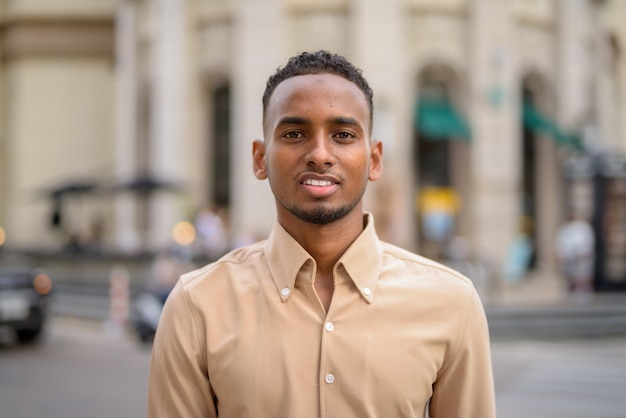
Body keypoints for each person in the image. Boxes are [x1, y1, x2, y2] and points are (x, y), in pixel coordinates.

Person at [147, 50, 496, 417]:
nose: (319, 154)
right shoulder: (196, 306)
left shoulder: (451, 303)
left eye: (343, 135)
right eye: (295, 133)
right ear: (259, 159)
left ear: (374, 160)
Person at [556, 213, 595, 296]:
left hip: (580, 255)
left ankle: (584, 290)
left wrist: (584, 251)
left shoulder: (582, 227)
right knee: (570, 273)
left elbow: (585, 240)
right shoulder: (565, 228)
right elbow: (561, 242)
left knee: (583, 273)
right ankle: (572, 289)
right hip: (569, 256)